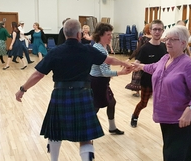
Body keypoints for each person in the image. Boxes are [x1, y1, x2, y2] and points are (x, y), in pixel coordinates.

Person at [15, 19, 132, 161]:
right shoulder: (88, 49)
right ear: (79, 34)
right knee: (85, 137)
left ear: (65, 34)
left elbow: (38, 74)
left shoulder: (55, 52)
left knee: (55, 133)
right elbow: (109, 60)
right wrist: (125, 63)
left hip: (60, 95)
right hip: (83, 94)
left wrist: (23, 89)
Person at [132, 25, 191, 161]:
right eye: (167, 39)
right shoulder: (165, 58)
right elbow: (154, 67)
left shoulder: (189, 65)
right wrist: (140, 66)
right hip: (165, 117)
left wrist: (190, 109)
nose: (168, 42)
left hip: (182, 120)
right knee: (182, 153)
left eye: (172, 39)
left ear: (183, 43)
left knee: (176, 155)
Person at [90, 23, 131, 135]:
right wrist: (121, 72)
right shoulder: (100, 50)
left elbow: (106, 67)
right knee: (95, 107)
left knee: (111, 103)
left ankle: (112, 128)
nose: (111, 37)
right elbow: (105, 72)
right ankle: (84, 129)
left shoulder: (102, 47)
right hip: (98, 82)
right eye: (108, 34)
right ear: (100, 35)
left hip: (99, 81)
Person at [130, 20, 167, 128]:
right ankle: (135, 116)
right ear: (150, 30)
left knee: (164, 103)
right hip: (147, 81)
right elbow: (137, 62)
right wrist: (132, 67)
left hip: (162, 81)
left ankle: (165, 121)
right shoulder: (145, 48)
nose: (157, 32)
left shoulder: (165, 47)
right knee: (143, 103)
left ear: (162, 31)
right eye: (155, 29)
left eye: (159, 29)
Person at [125, 23, 152, 97]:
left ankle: (137, 92)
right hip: (151, 60)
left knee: (138, 75)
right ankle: (149, 92)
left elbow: (137, 50)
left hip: (142, 59)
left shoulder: (142, 38)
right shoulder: (155, 39)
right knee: (149, 75)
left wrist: (129, 58)